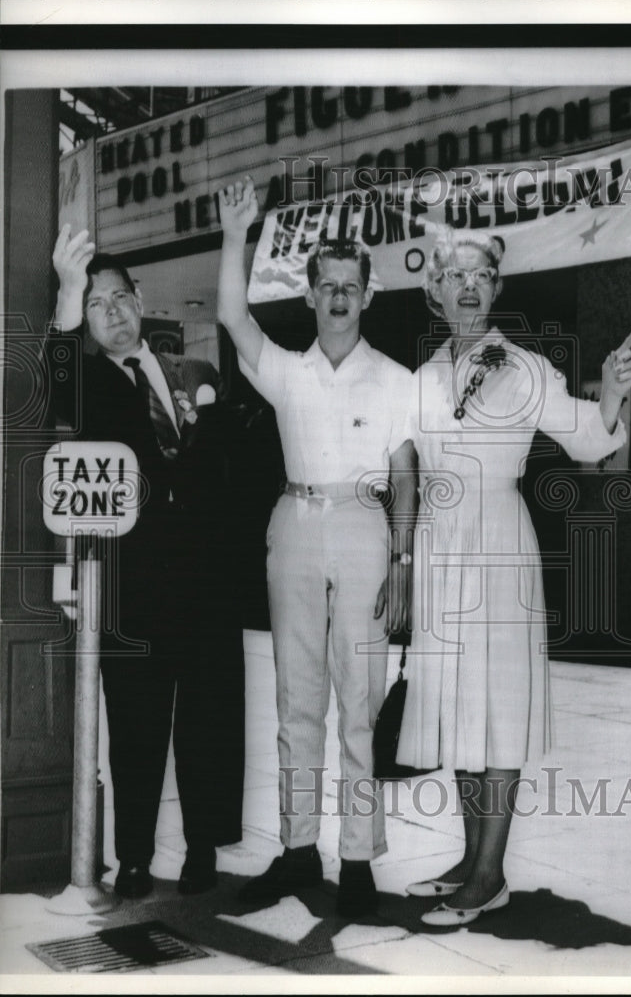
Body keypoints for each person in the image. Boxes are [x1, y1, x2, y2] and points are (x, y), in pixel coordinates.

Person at [396, 226, 631, 927]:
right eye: (454, 276)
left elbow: (586, 439)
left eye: (481, 276)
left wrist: (613, 392)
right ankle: (470, 859)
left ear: (496, 289)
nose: (467, 286)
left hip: (498, 543)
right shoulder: (423, 376)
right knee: (456, 711)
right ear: (433, 291)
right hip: (442, 547)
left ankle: (489, 873)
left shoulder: (527, 367)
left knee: (496, 715)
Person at [217, 177, 415, 918]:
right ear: (308, 295)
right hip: (294, 527)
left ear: (366, 296)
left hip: (364, 531)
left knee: (358, 703)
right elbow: (234, 316)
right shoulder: (287, 372)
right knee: (297, 702)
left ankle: (357, 859)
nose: (336, 298)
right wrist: (236, 232)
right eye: (325, 286)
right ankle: (299, 850)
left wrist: (402, 565)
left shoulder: (395, 380)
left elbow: (404, 475)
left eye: (348, 287)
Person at [47, 228, 245, 899]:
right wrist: (68, 292)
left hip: (205, 580)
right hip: (129, 579)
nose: (111, 311)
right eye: (96, 302)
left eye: (119, 297)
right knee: (134, 720)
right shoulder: (91, 381)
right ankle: (132, 855)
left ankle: (202, 850)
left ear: (140, 300)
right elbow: (57, 380)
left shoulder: (187, 372)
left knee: (209, 718)